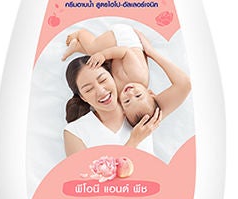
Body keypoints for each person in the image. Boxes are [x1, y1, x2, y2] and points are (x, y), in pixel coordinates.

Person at [63, 24, 191, 127]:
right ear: (151, 93)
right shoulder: (138, 77)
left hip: (116, 53)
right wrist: (151, 52)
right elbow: (125, 52)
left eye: (127, 101)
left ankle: (78, 47)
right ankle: (79, 34)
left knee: (95, 56)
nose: (130, 93)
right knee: (93, 49)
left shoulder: (121, 97)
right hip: (124, 40)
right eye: (138, 95)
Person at [63, 56, 162, 157]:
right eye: (89, 89)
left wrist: (151, 52)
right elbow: (83, 168)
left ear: (112, 76)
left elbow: (175, 88)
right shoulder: (75, 132)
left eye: (103, 80)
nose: (101, 91)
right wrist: (133, 141)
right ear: (82, 97)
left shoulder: (141, 108)